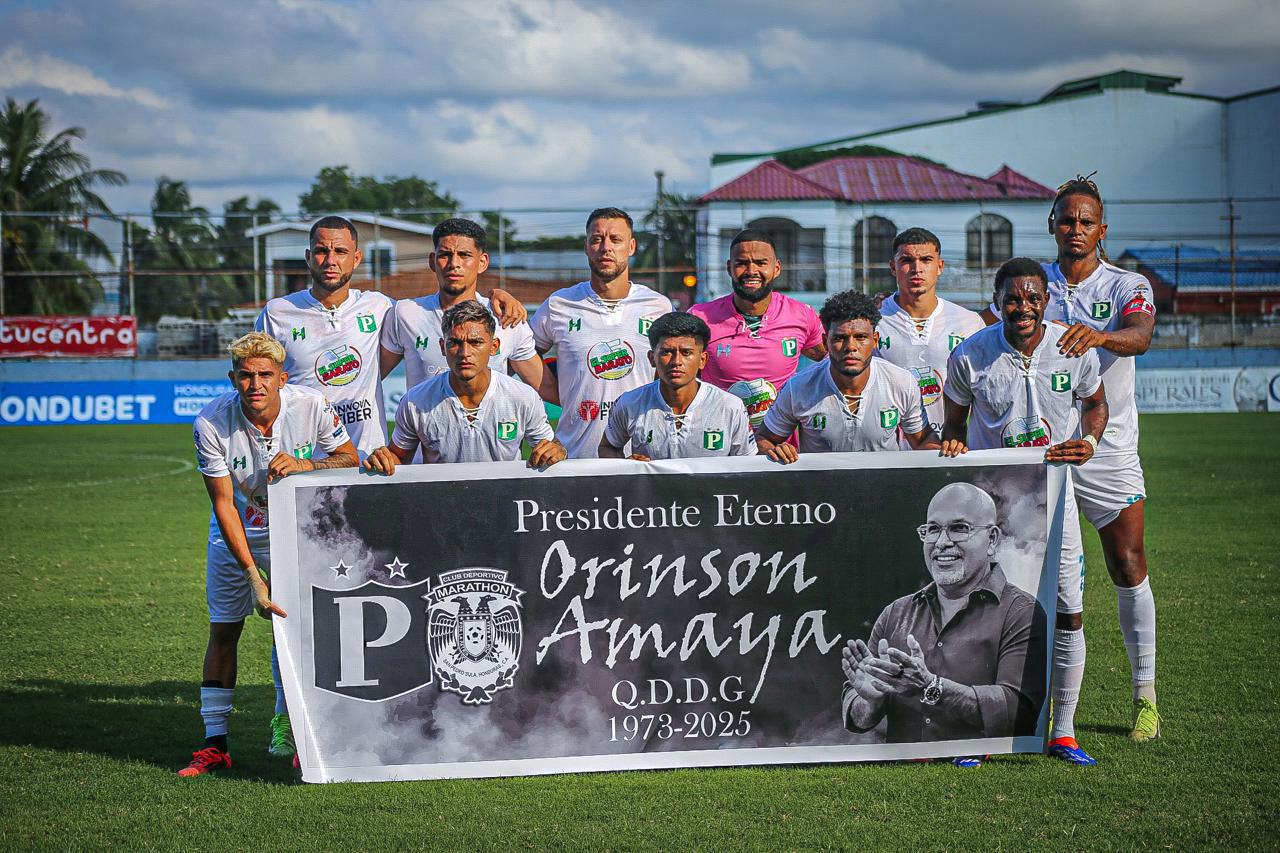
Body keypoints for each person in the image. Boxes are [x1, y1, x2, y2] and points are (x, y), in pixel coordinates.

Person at [940, 258, 1108, 766]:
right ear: (997, 302)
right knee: (985, 614)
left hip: (1056, 500)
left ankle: (1064, 731)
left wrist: (1089, 441)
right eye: (1012, 298)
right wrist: (953, 446)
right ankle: (983, 736)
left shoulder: (1072, 348)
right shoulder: (971, 354)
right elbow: (954, 423)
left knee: (1069, 611)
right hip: (994, 509)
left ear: (1046, 300)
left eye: (1033, 298)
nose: (1024, 307)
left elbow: (1095, 403)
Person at [181, 332, 359, 777]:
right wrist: (253, 577)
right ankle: (214, 744)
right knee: (224, 630)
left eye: (265, 375)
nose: (255, 384)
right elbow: (224, 504)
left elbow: (348, 458)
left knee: (292, 630)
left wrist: (307, 464)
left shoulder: (311, 405)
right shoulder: (210, 422)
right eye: (245, 375)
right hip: (236, 536)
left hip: (294, 532)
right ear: (233, 379)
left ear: (282, 378)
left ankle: (289, 726)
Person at [256, 215, 529, 460]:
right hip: (299, 454)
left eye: (340, 251)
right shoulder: (277, 312)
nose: (330, 260)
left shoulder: (380, 307)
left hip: (367, 455)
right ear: (308, 256)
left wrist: (495, 294)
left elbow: (461, 298)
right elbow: (255, 376)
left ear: (357, 258)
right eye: (321, 251)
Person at [1044, 175, 1162, 743]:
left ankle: (1145, 697)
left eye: (1086, 221)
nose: (1076, 228)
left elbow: (1141, 335)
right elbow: (989, 331)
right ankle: (1045, 705)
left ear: (1102, 230)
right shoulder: (1033, 284)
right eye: (1067, 220)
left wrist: (1099, 337)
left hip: (1109, 448)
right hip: (1044, 451)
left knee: (1127, 563)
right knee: (1038, 579)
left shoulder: (1125, 284)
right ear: (1052, 225)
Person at [841, 482, 1048, 744]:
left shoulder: (1021, 612)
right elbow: (858, 718)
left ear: (992, 539)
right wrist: (871, 702)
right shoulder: (895, 613)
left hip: (983, 769)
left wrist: (932, 686)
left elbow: (1020, 714)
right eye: (933, 530)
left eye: (959, 528)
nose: (942, 542)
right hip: (905, 770)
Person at [529, 207, 672, 458]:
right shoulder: (559, 304)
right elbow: (523, 353)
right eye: (596, 239)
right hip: (575, 456)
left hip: (641, 456)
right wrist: (562, 395)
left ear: (631, 246)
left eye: (615, 239)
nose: (606, 247)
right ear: (586, 247)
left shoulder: (658, 306)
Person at [363, 301, 566, 471]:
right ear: (443, 347)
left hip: (503, 503)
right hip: (441, 504)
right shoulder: (415, 402)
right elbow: (399, 457)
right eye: (454, 343)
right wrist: (383, 459)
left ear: (494, 347)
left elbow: (550, 447)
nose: (465, 353)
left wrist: (557, 451)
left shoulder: (523, 397)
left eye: (476, 342)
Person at [755, 290, 937, 462]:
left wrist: (944, 453)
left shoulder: (901, 382)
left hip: (883, 485)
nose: (850, 347)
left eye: (860, 337)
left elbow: (922, 440)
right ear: (825, 342)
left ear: (875, 340)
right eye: (840, 338)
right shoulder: (798, 387)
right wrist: (774, 450)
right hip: (820, 485)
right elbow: (764, 438)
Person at [380, 217, 543, 391]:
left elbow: (545, 387)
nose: (454, 264)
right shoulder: (405, 313)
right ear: (432, 261)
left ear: (482, 263)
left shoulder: (507, 318)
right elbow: (369, 377)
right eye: (445, 255)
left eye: (464, 255)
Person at [688, 230, 826, 428]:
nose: (751, 271)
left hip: (780, 440)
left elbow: (832, 362)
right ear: (729, 268)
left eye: (761, 263)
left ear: (776, 268)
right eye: (742, 263)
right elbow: (679, 378)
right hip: (720, 437)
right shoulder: (700, 317)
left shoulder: (802, 315)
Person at [873, 228, 985, 438]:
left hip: (949, 446)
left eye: (926, 260)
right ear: (893, 267)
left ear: (940, 266)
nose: (917, 269)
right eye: (907, 260)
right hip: (889, 449)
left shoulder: (970, 322)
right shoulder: (872, 322)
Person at [599, 311, 756, 460]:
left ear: (702, 360)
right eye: (666, 352)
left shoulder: (730, 407)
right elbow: (608, 446)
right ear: (652, 358)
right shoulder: (630, 403)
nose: (676, 362)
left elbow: (746, 464)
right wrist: (626, 467)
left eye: (686, 353)